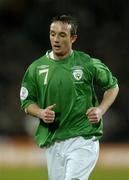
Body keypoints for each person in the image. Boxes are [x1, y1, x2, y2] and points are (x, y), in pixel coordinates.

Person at [20, 14, 119, 180]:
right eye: (53, 34)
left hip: (83, 138)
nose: (56, 39)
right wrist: (40, 113)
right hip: (54, 141)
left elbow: (112, 86)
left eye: (62, 35)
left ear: (73, 38)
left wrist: (101, 110)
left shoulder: (87, 63)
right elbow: (26, 101)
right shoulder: (36, 68)